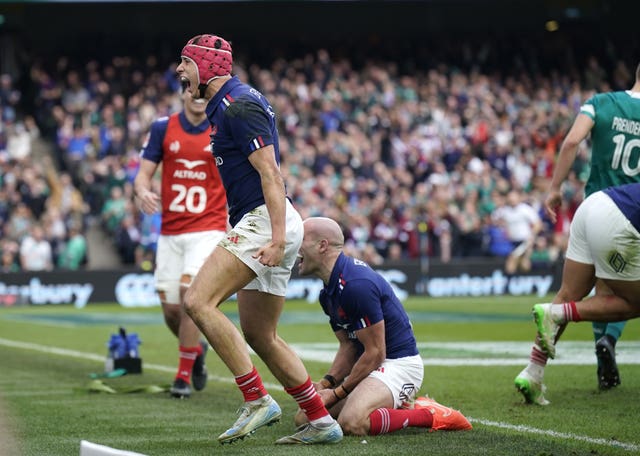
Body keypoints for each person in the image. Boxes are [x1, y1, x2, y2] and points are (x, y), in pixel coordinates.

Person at [176, 34, 343, 445]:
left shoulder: (238, 105)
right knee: (260, 335)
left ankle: (256, 399)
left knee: (197, 301)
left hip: (267, 223)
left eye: (185, 62)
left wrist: (278, 238)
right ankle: (321, 420)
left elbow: (271, 174)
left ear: (207, 67)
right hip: (268, 222)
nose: (179, 71)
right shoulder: (227, 105)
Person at [515, 62, 640, 403]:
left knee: (569, 292)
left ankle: (533, 371)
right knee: (629, 298)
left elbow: (571, 142)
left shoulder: (601, 102)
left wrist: (555, 189)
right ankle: (607, 340)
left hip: (590, 207)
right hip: (629, 215)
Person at [294, 216, 472, 436]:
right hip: (371, 363)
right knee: (305, 418)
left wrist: (337, 393)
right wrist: (326, 383)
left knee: (352, 422)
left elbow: (377, 352)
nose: (294, 247)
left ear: (322, 245)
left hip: (399, 364)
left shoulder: (355, 285)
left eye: (299, 240)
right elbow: (348, 346)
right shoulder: (328, 292)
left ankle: (429, 414)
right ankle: (389, 402)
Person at [134, 89, 228, 398]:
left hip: (207, 227)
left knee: (191, 294)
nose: (198, 96)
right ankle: (196, 352)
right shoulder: (163, 127)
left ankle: (182, 377)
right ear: (183, 93)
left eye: (204, 91)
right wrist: (143, 192)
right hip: (171, 232)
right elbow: (143, 175)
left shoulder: (222, 127)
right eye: (192, 90)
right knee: (172, 311)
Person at [528, 183, 640, 364]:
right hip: (617, 220)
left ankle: (533, 371)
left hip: (593, 203)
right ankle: (557, 312)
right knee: (636, 302)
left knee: (567, 294)